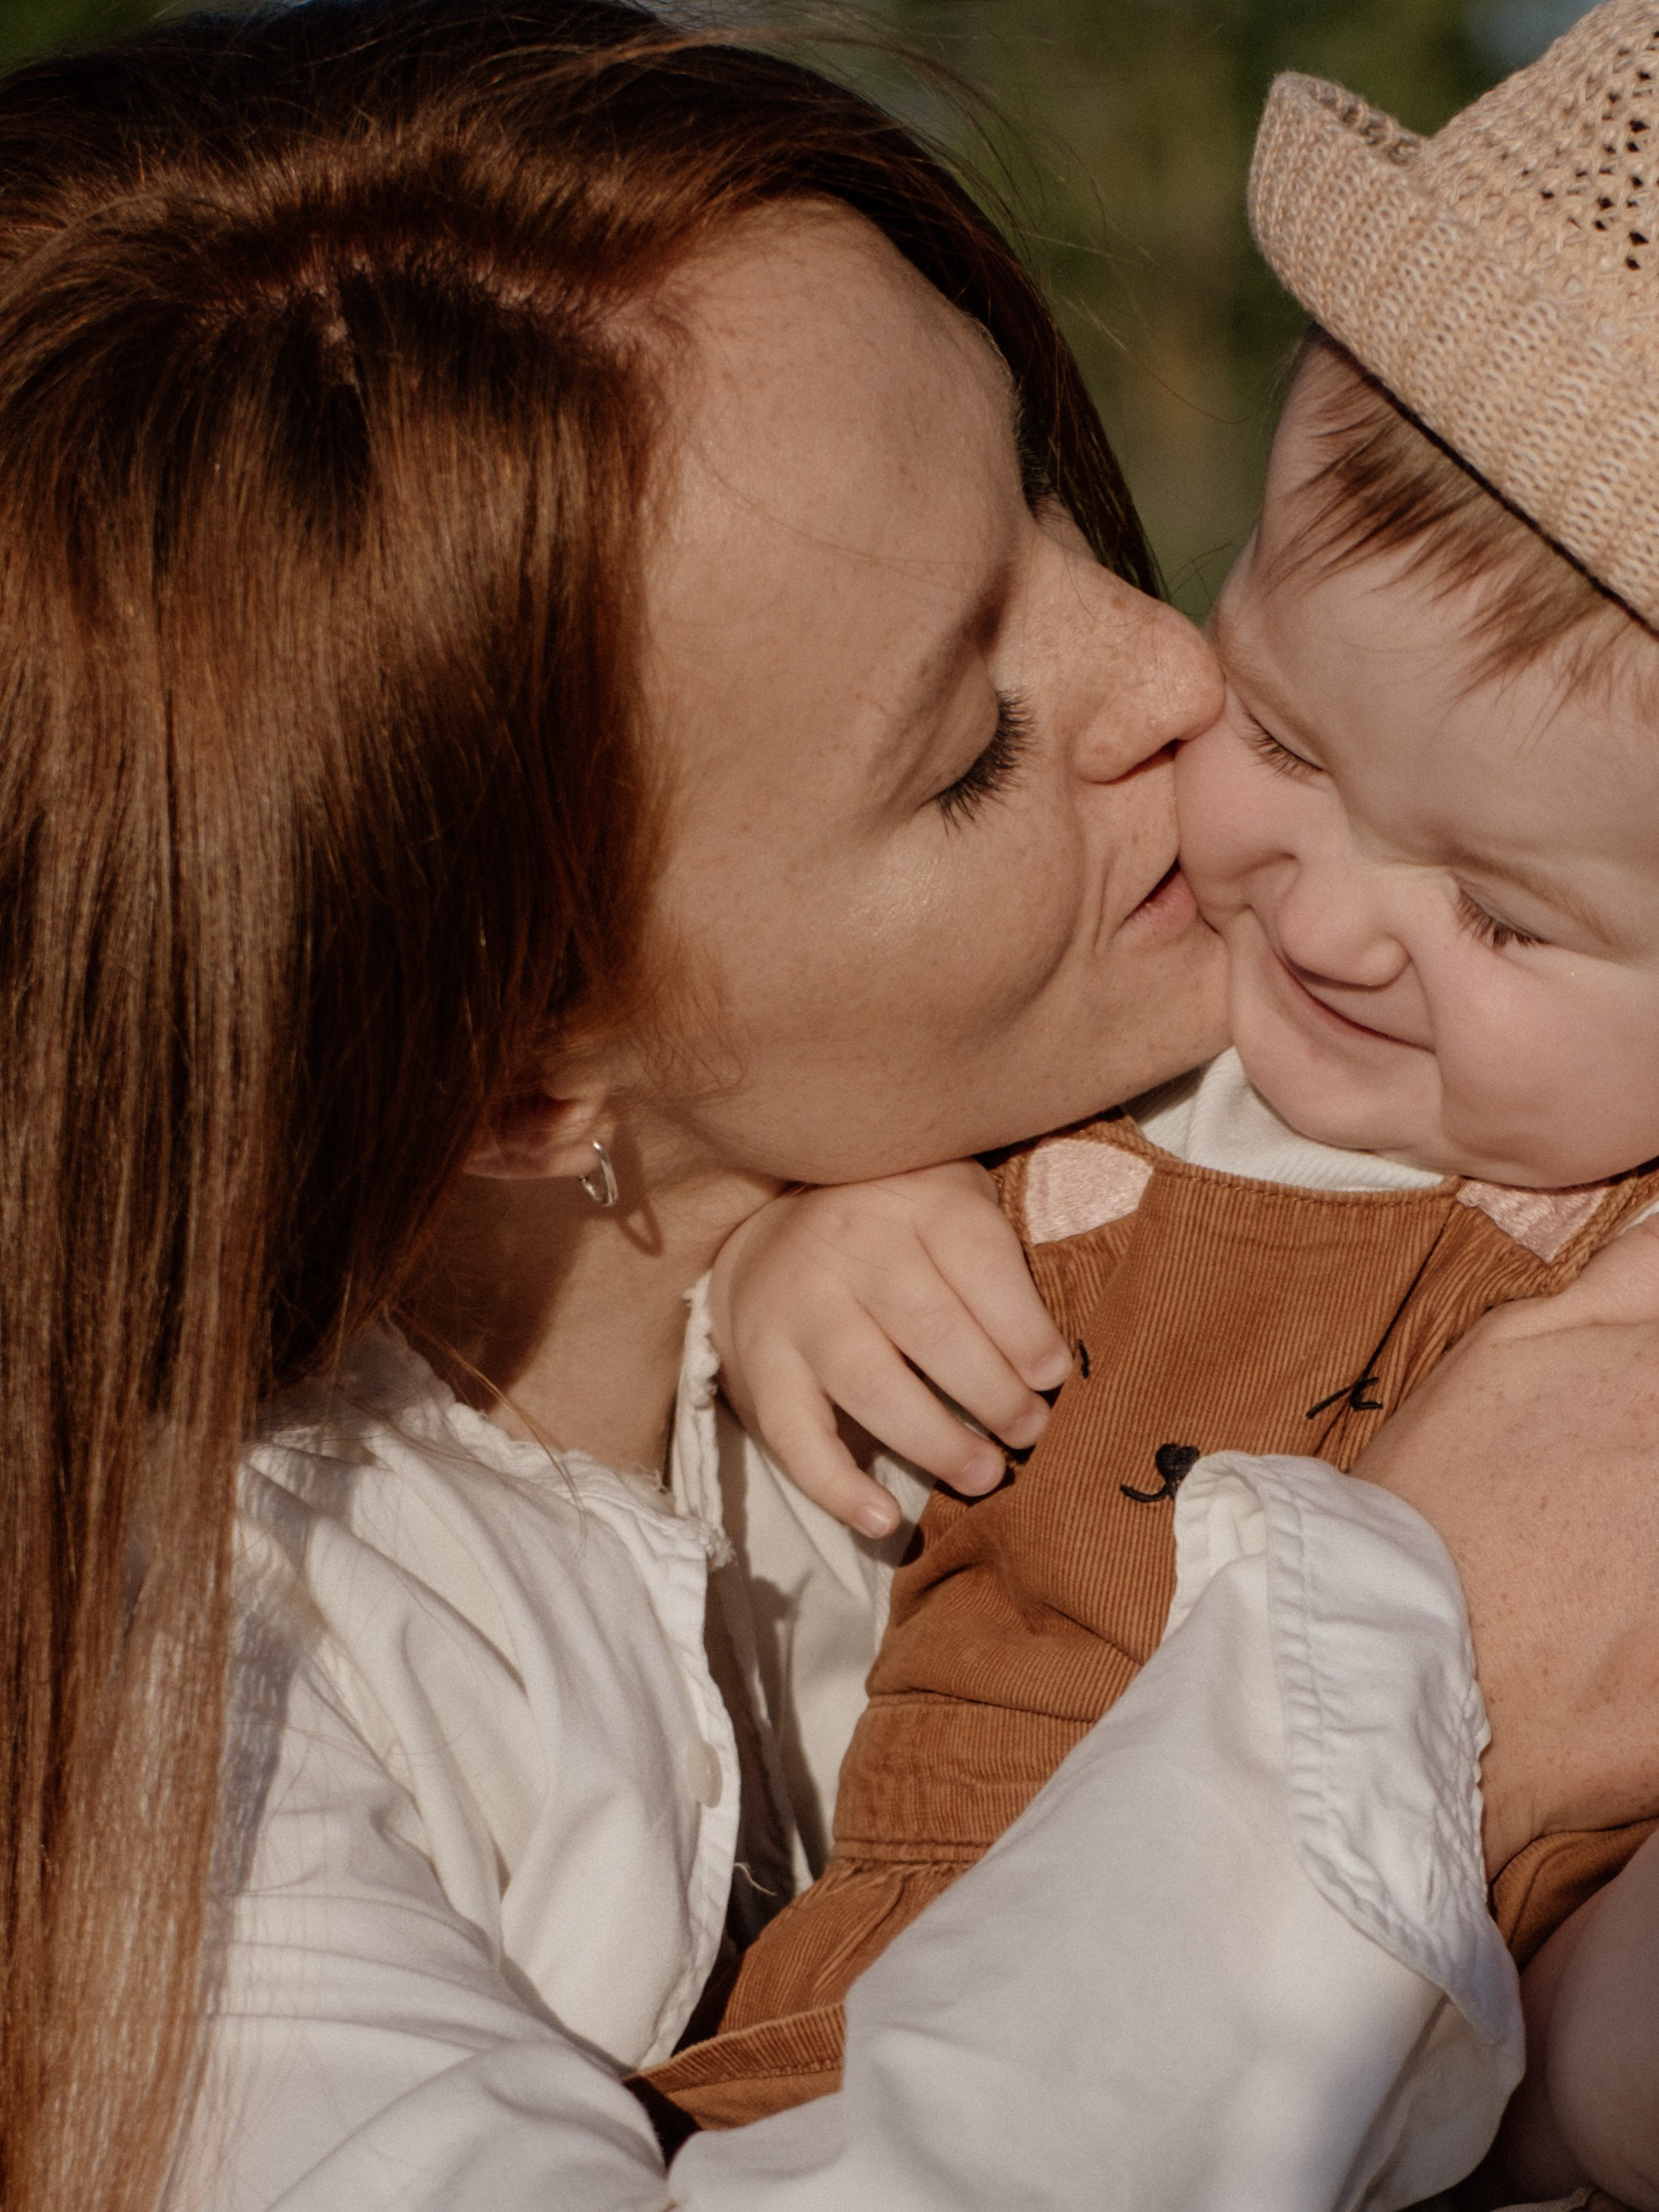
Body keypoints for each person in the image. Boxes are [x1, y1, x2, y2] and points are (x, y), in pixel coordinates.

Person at [5, 5, 1659, 2212]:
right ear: (511, 1081)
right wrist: (1412, 1657)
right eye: (968, 744)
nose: (1180, 681)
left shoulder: (1272, 1053)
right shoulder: (179, 1720)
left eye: (1053, 499)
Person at [644, 7, 1659, 2206]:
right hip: (933, 2018)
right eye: (1284, 737)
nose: (1338, 910)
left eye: (1500, 913)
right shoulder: (1083, 1073)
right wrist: (803, 1255)